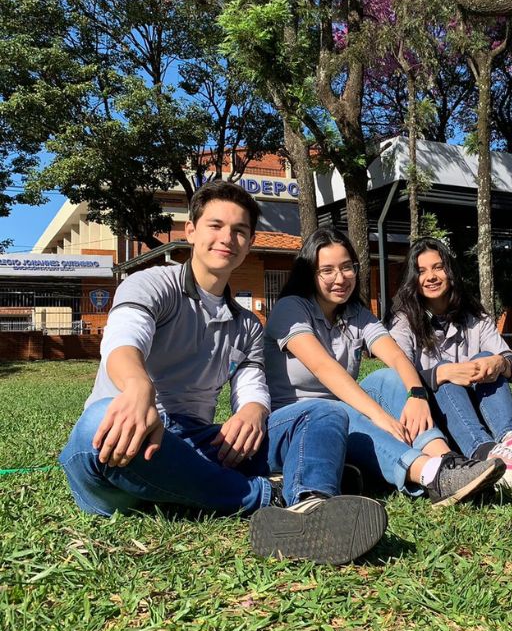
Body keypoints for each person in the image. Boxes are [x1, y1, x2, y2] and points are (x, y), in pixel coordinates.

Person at [59, 181, 386, 565]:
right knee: (97, 425)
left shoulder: (246, 324)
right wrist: (137, 386)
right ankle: (265, 496)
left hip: (198, 443)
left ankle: (312, 507)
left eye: (240, 231)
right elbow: (123, 341)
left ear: (248, 244)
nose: (227, 238)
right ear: (191, 231)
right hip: (126, 436)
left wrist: (252, 411)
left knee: (322, 412)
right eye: (216, 226)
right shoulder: (150, 284)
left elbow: (251, 387)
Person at [264, 228, 504, 507]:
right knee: (335, 408)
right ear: (310, 274)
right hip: (294, 424)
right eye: (327, 270)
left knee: (388, 378)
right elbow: (324, 367)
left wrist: (417, 395)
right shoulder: (290, 308)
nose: (340, 278)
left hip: (341, 415)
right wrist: (378, 416)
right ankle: (430, 474)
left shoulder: (356, 314)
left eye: (346, 267)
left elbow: (397, 357)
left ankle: (447, 460)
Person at [386, 237, 512, 488]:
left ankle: (511, 441)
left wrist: (499, 364)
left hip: (490, 408)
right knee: (446, 379)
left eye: (438, 267)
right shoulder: (404, 321)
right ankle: (487, 453)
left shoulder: (475, 315)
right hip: (440, 415)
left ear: (450, 271)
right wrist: (442, 372)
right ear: (413, 279)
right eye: (421, 271)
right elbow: (398, 376)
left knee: (487, 359)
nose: (431, 276)